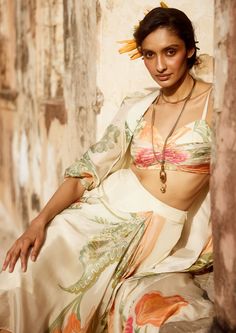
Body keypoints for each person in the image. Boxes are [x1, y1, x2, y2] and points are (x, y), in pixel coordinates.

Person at [0, 5, 214, 333]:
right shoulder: (138, 106)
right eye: (149, 54)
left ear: (188, 49)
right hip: (97, 213)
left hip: (153, 229)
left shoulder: (218, 104)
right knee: (24, 272)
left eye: (170, 52)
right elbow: (88, 170)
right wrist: (38, 222)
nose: (159, 65)